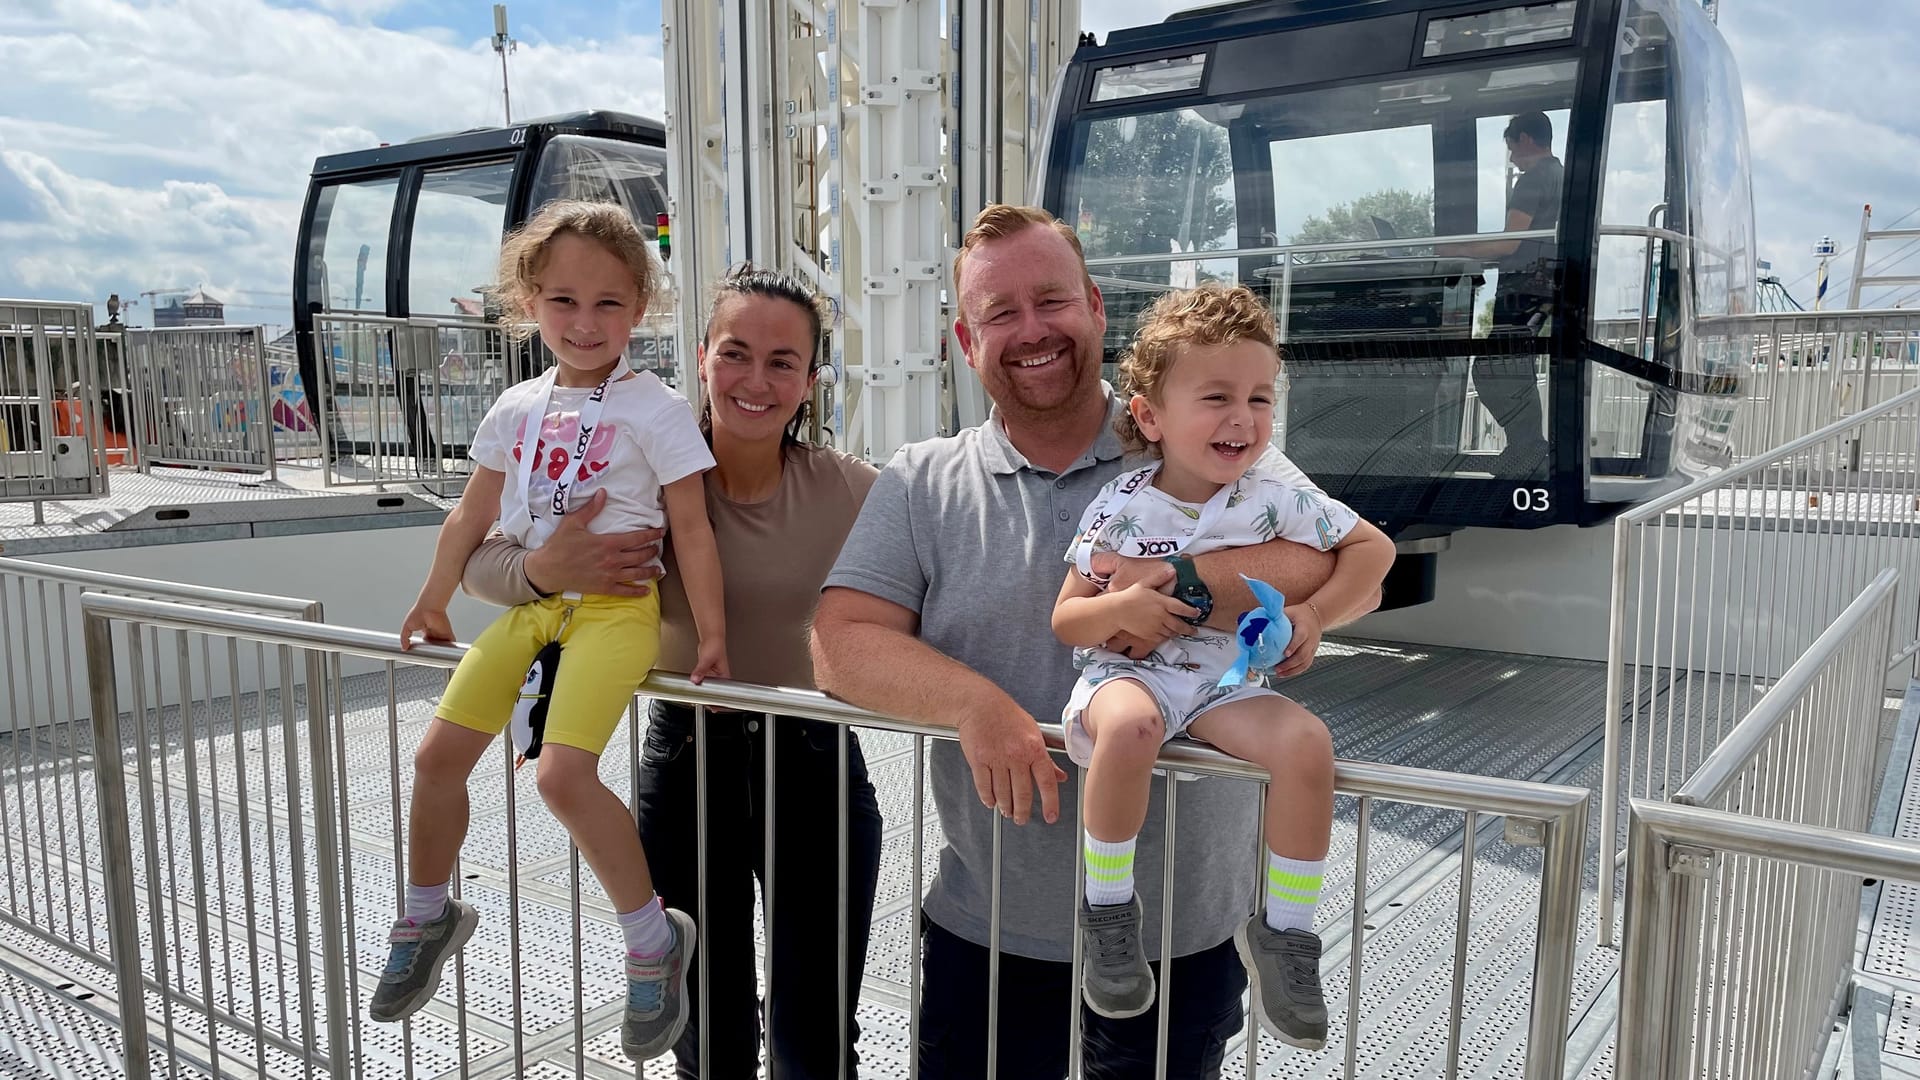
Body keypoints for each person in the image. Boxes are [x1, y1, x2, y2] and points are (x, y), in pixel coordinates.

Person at [811, 204, 1382, 1078]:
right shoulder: (921, 480)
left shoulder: (1210, 431)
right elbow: (841, 645)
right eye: (1000, 314)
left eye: (1052, 300)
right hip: (989, 920)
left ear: (1097, 308)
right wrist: (976, 705)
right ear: (968, 341)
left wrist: (1176, 585)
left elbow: (1327, 559)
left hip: (1183, 929)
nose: (1030, 330)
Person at [461, 266, 884, 1079]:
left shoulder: (850, 489)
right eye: (735, 353)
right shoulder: (627, 470)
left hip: (816, 767)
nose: (755, 381)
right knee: (708, 1040)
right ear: (700, 358)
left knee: (815, 1044)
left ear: (810, 378)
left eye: (783, 361)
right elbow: (477, 559)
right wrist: (545, 569)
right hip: (689, 764)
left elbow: (935, 584)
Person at [372, 199, 727, 1066]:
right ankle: (427, 912)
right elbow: (471, 517)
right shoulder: (516, 406)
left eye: (609, 303)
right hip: (536, 608)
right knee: (433, 759)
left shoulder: (657, 407)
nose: (585, 321)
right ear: (530, 301)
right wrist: (433, 598)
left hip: (614, 609)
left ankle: (652, 942)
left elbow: (692, 529)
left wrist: (712, 634)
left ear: (640, 309)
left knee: (562, 778)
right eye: (563, 300)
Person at [1052, 284, 1394, 1048]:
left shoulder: (1275, 496)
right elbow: (1067, 615)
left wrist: (1315, 614)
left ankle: (1286, 932)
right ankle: (1108, 911)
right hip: (1126, 678)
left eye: (1259, 398)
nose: (1243, 418)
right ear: (1151, 416)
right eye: (1216, 397)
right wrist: (1118, 613)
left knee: (1306, 744)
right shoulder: (1120, 506)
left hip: (1221, 682)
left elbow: (1375, 550)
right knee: (1132, 727)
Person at [1450, 110, 1565, 472]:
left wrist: (1454, 250)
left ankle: (1529, 448)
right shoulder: (1561, 175)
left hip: (1523, 287)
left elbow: (1510, 243)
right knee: (1514, 367)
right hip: (1543, 285)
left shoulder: (1533, 180)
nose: (1513, 157)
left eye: (1512, 147)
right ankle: (1526, 448)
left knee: (1491, 369)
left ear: (1526, 139)